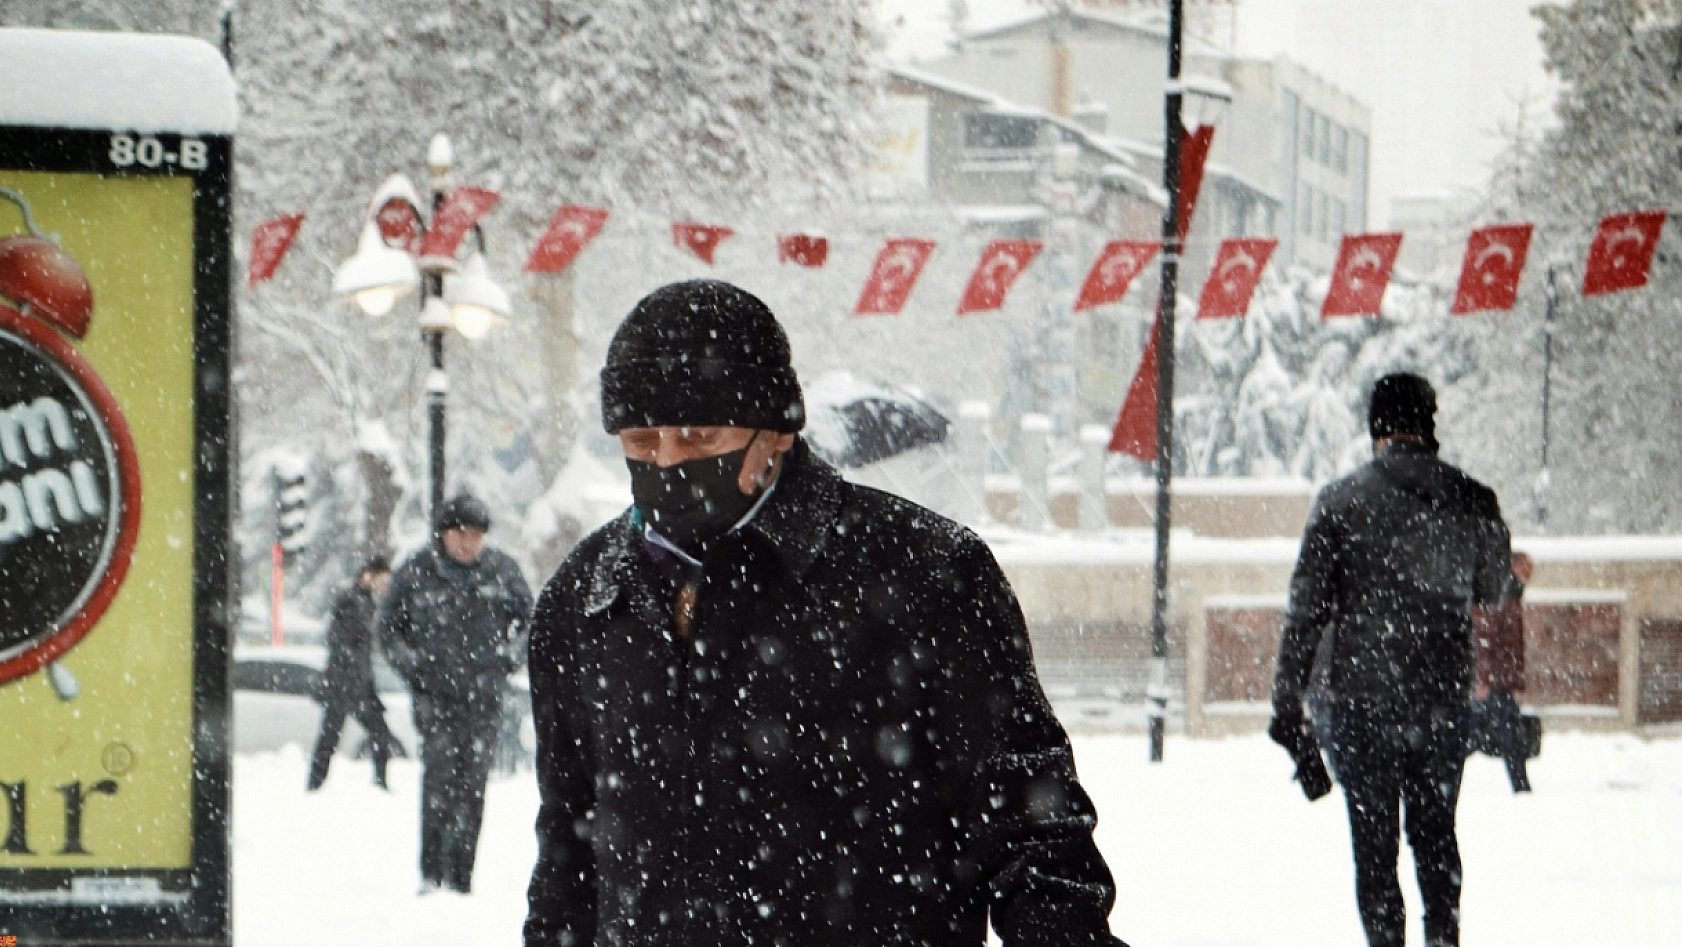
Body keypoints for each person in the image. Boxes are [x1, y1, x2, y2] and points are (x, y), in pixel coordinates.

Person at [524, 279, 1126, 946]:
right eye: (641, 441)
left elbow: (1034, 833)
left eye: (698, 436)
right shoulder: (583, 599)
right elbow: (568, 858)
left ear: (776, 430)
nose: (667, 462)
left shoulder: (927, 576)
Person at [1270, 373, 1511, 947]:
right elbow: (1492, 589)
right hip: (1441, 697)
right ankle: (1443, 934)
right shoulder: (1473, 500)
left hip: (1362, 702)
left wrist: (1287, 704)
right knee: (1436, 833)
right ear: (1429, 424)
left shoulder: (1339, 503)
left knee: (1374, 849)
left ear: (1375, 427)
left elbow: (1305, 615)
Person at [382, 494, 533, 894]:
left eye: (476, 535)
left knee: (472, 786)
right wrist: (415, 667)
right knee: (439, 781)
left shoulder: (502, 572)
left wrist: (507, 659)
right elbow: (389, 630)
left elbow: (530, 622)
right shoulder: (417, 571)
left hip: (483, 699)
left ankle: (461, 877)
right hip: (435, 699)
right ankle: (431, 874)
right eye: (460, 534)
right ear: (443, 535)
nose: (468, 543)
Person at [307, 556, 399, 791]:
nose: (385, 586)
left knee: (374, 734)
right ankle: (315, 785)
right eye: (382, 580)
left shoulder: (365, 602)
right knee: (332, 738)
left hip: (357, 686)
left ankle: (378, 783)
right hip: (345, 684)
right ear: (369, 575)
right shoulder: (351, 601)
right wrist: (352, 671)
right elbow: (338, 641)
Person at [1471, 551, 1535, 792]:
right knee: (1509, 734)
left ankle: (1521, 785)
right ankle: (1521, 786)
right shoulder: (1501, 594)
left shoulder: (1511, 594)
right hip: (1496, 681)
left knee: (1506, 733)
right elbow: (1485, 637)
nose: (1529, 573)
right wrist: (1484, 678)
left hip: (1501, 680)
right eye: (1525, 567)